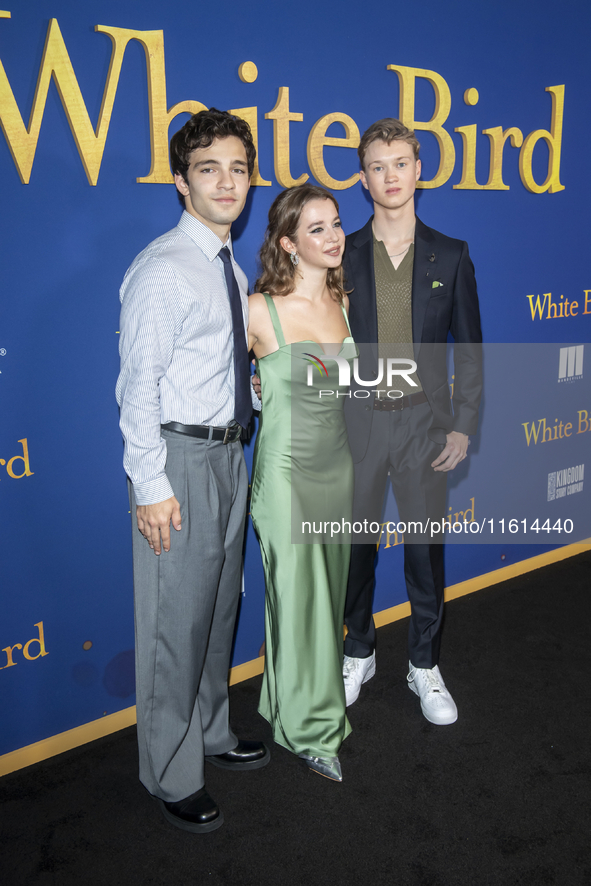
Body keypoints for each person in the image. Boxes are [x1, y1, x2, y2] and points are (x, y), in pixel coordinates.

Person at [116, 109, 269, 834]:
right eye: (209, 168)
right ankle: (170, 770)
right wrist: (151, 486)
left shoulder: (228, 267)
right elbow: (137, 386)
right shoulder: (163, 269)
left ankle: (209, 733)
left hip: (228, 453)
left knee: (215, 616)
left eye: (238, 168)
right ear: (182, 183)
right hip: (177, 461)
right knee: (175, 625)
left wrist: (256, 391)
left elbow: (213, 366)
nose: (226, 181)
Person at [342, 119, 482, 724]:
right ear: (364, 178)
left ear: (418, 171)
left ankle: (423, 664)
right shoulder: (339, 252)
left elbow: (470, 349)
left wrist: (463, 424)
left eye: (400, 162)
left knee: (425, 552)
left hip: (426, 426)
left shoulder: (451, 255)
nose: (390, 175)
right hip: (358, 424)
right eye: (377, 165)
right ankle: (359, 649)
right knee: (354, 550)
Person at [247, 185, 355, 782]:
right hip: (285, 476)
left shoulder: (345, 304)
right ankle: (311, 732)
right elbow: (220, 389)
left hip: (338, 472)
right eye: (316, 228)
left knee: (325, 601)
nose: (333, 236)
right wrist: (259, 397)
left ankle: (285, 704)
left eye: (335, 223)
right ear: (288, 244)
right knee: (299, 601)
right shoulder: (258, 309)